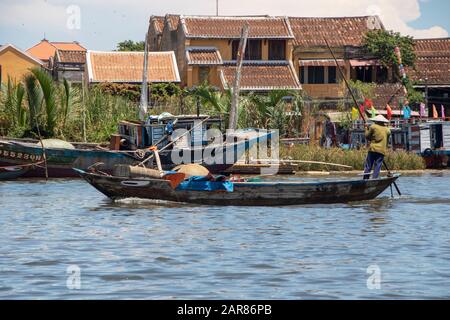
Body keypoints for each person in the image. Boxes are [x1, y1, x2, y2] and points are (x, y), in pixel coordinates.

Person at [363, 115, 391, 180]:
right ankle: (374, 179)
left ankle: (365, 179)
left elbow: (367, 137)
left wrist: (366, 129)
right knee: (377, 166)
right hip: (381, 150)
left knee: (368, 165)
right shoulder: (388, 130)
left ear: (376, 121)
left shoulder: (373, 127)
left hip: (373, 149)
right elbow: (386, 140)